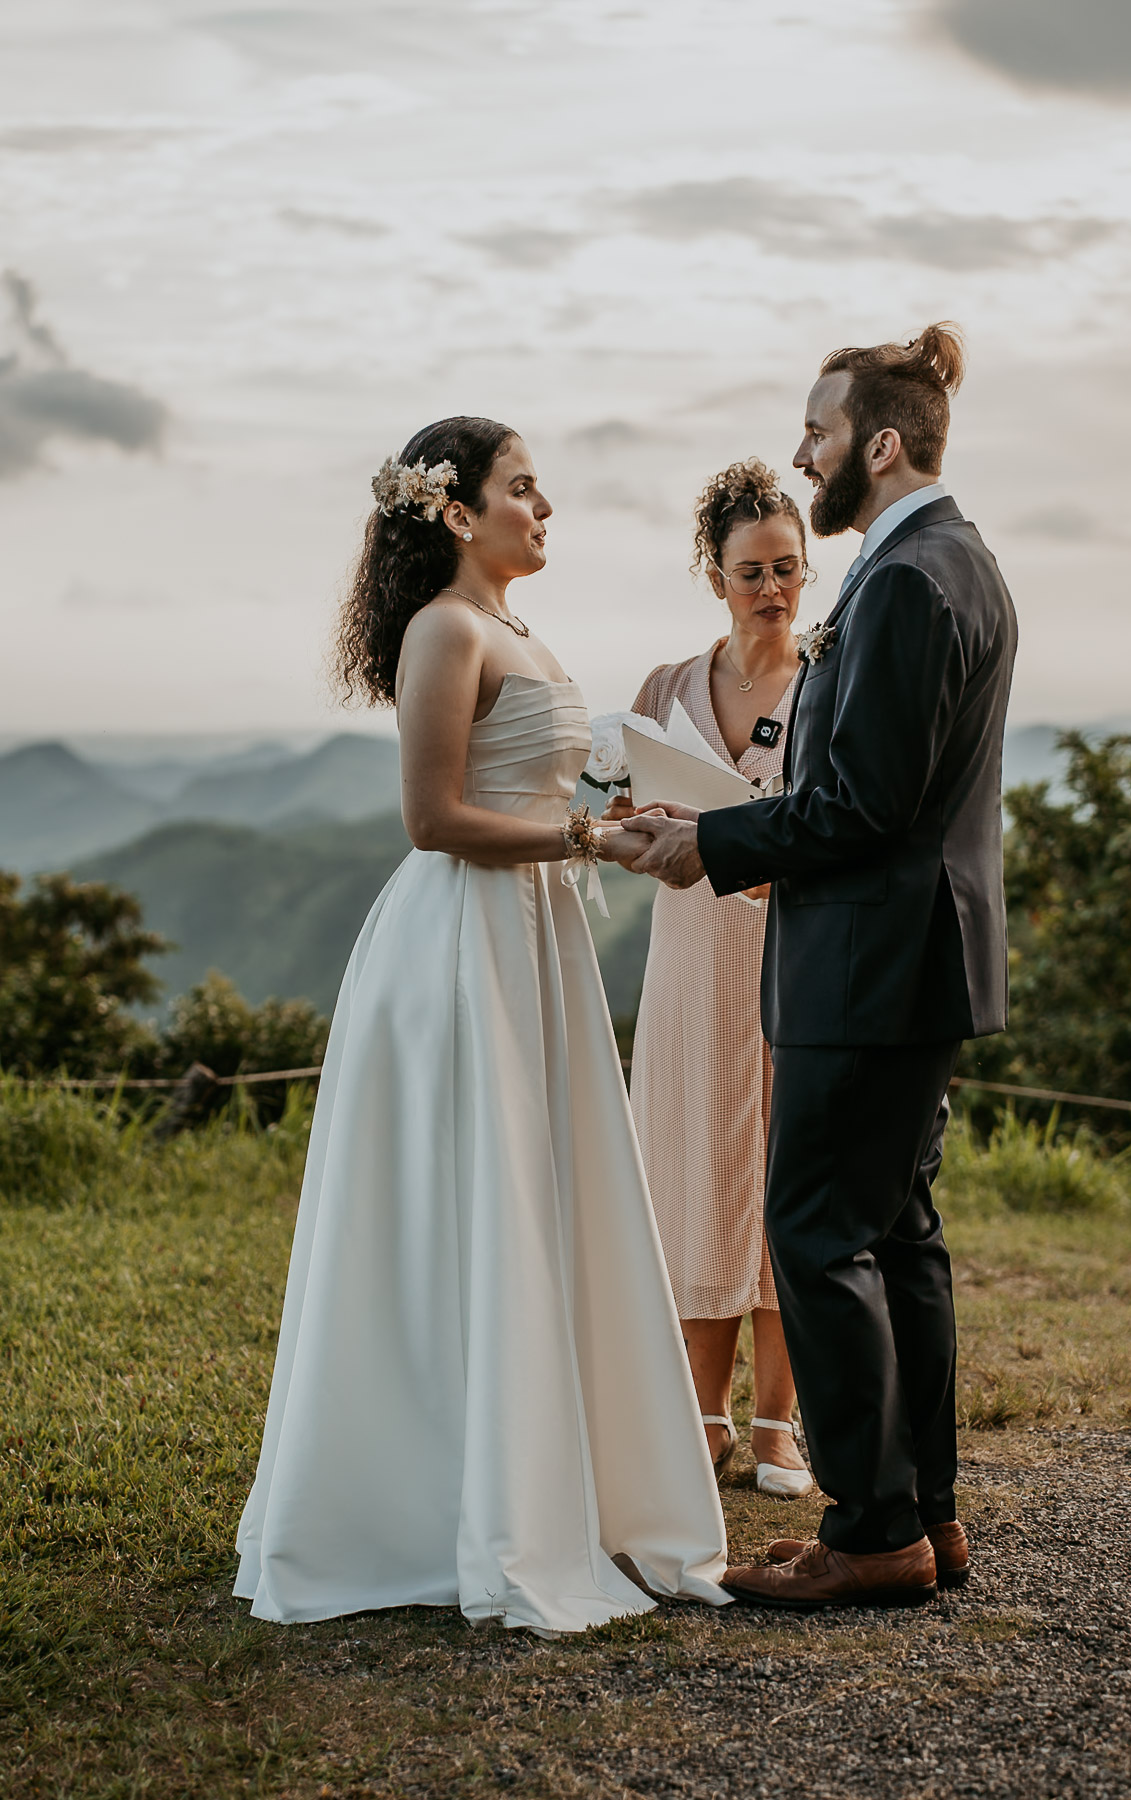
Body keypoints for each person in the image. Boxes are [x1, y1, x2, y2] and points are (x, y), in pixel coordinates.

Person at [234, 417, 730, 1635]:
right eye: (523, 487)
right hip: (462, 944)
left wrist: (618, 820)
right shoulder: (444, 629)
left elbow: (551, 792)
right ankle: (436, 1500)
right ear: (457, 512)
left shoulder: (516, 630)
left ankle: (565, 1480)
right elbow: (433, 817)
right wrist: (586, 837)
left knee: (541, 1194)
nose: (545, 504)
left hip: (537, 937)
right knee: (474, 1199)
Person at [622, 325, 1017, 1609]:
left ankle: (871, 1529)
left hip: (870, 961)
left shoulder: (907, 579)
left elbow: (858, 806)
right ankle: (924, 1515)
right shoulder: (960, 564)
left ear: (881, 443)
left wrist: (710, 844)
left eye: (820, 431)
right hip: (915, 960)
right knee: (898, 1235)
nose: (805, 452)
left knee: (813, 1228)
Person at [605, 459, 813, 1499]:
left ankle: (780, 1424)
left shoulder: (828, 686)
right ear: (714, 574)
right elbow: (624, 812)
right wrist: (620, 832)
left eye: (787, 569)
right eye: (751, 572)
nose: (771, 589)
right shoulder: (664, 690)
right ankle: (704, 1415)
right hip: (690, 960)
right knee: (692, 1173)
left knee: (782, 1180)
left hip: (791, 956)